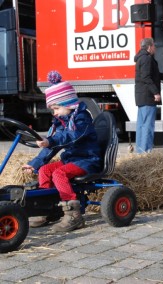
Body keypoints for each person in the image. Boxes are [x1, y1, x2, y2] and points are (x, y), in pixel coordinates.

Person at [22, 71, 103, 232]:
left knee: (59, 174)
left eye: (56, 108)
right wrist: (36, 163)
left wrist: (51, 140)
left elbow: (71, 137)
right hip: (71, 160)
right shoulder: (61, 122)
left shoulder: (81, 119)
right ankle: (46, 208)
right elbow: (53, 145)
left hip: (87, 160)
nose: (55, 113)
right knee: (45, 170)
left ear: (68, 103)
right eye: (53, 109)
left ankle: (73, 215)